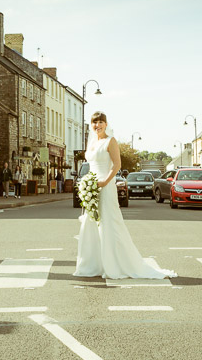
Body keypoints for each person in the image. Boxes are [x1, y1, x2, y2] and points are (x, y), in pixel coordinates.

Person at [74, 111, 175, 279]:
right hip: (92, 187)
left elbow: (117, 164)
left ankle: (113, 263)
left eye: (100, 122)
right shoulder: (91, 142)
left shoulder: (110, 141)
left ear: (106, 124)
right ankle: (92, 264)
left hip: (105, 187)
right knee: (90, 224)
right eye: (94, 123)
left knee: (108, 223)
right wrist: (87, 184)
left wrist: (105, 182)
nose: (97, 126)